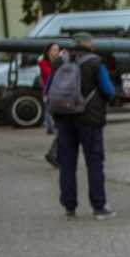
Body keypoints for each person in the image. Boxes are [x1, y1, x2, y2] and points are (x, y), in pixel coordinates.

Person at [52, 32, 116, 220]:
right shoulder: (95, 63)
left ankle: (69, 207)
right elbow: (109, 91)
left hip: (64, 118)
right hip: (90, 119)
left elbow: (49, 89)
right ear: (89, 44)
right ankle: (99, 205)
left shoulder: (59, 62)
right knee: (94, 162)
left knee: (67, 164)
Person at [37, 42, 61, 138]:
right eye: (54, 50)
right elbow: (39, 77)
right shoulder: (41, 63)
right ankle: (50, 127)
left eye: (57, 50)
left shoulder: (59, 62)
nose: (56, 52)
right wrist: (43, 87)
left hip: (58, 89)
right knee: (48, 109)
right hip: (48, 90)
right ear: (48, 51)